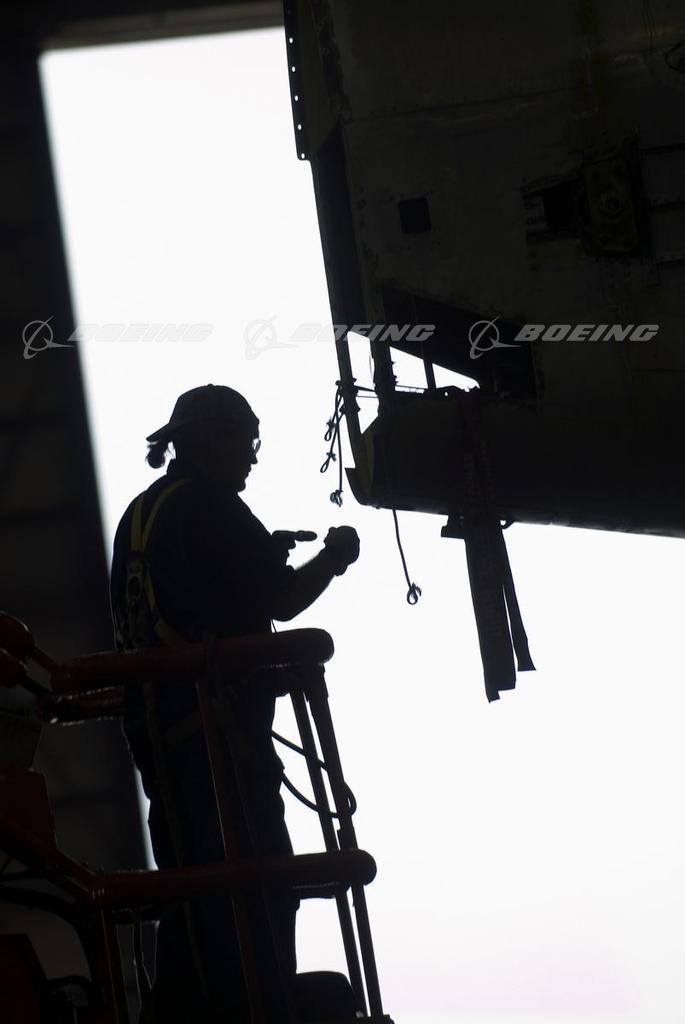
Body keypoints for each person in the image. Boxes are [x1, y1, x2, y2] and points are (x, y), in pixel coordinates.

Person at [109, 384, 360, 1023]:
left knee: (191, 892)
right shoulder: (211, 506)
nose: (252, 457)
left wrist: (258, 554)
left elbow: (182, 601)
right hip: (221, 744)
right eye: (246, 442)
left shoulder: (140, 515)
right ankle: (260, 1007)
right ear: (208, 440)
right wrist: (335, 557)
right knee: (260, 883)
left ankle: (184, 1012)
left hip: (163, 745)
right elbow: (283, 600)